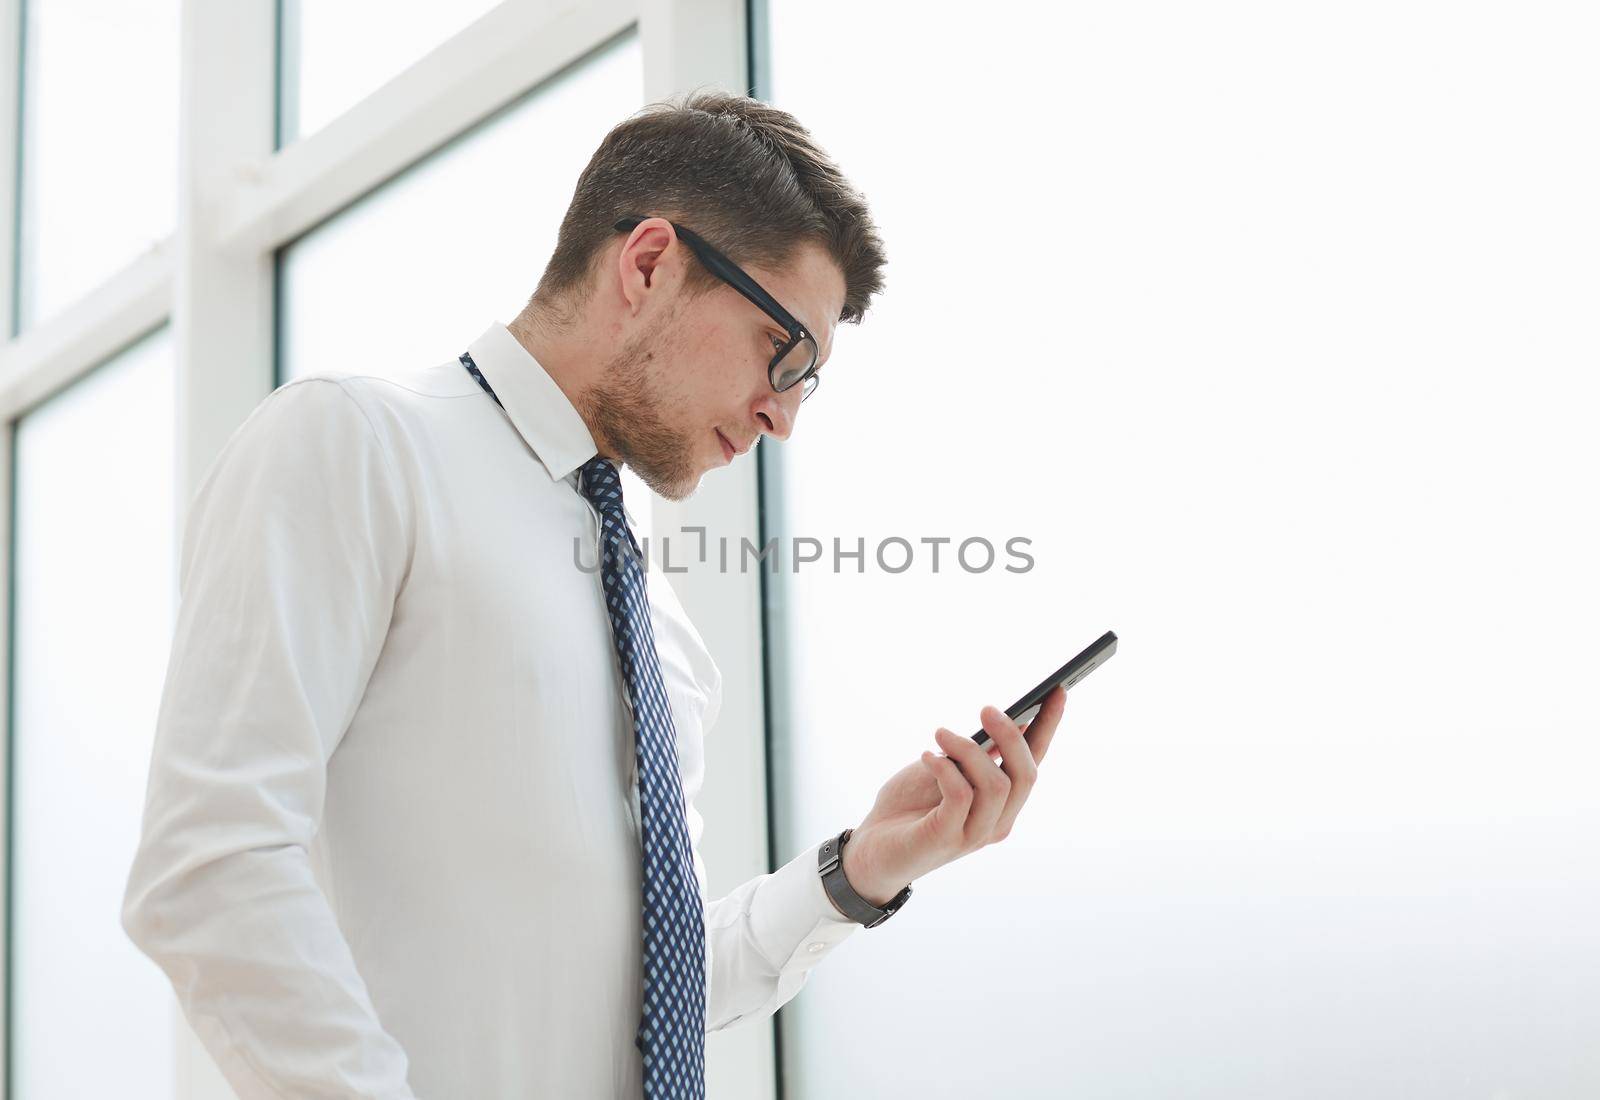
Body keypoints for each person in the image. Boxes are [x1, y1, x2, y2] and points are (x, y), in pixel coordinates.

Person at [120, 88, 1067, 1099]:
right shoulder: (355, 443)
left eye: (807, 382)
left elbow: (648, 1000)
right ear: (650, 262)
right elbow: (209, 863)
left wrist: (860, 870)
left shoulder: (661, 627)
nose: (782, 415)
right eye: (781, 352)